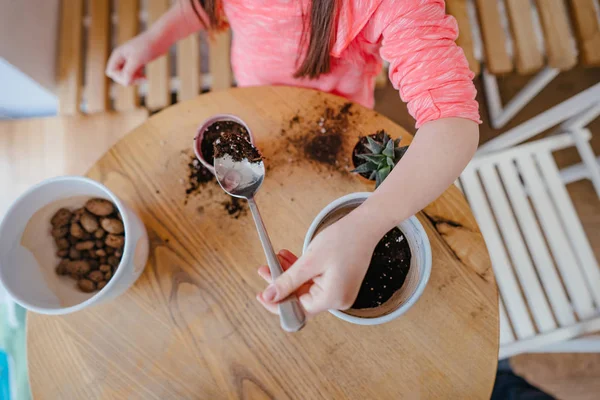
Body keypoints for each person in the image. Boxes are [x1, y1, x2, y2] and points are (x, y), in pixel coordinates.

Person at [106, 0, 481, 318]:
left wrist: (363, 228)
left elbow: (453, 127)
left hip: (339, 112)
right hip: (257, 91)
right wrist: (156, 39)